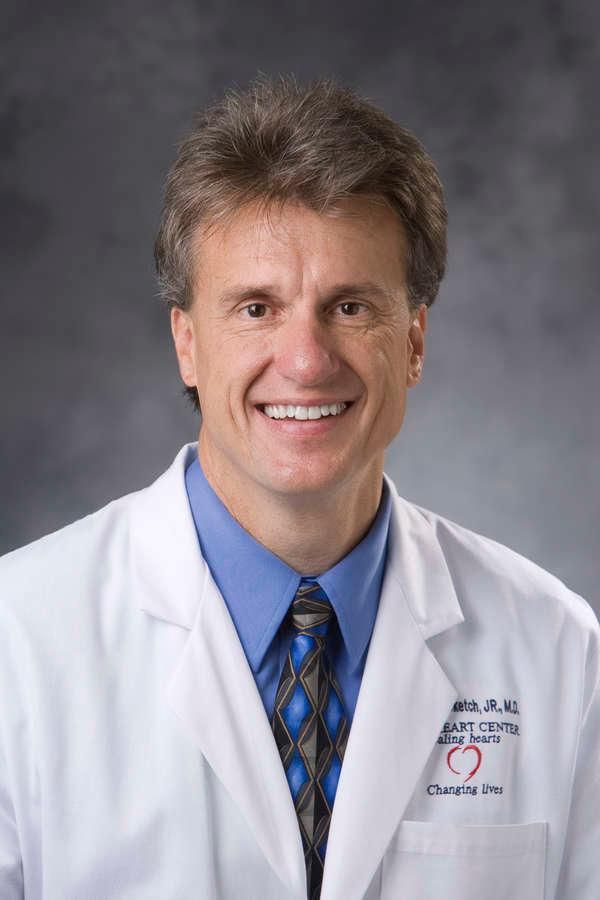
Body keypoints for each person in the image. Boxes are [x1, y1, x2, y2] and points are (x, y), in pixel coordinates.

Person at [0, 76, 597, 900]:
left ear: (413, 342)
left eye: (349, 307)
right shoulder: (18, 644)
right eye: (256, 309)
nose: (307, 361)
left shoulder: (557, 648)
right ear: (187, 344)